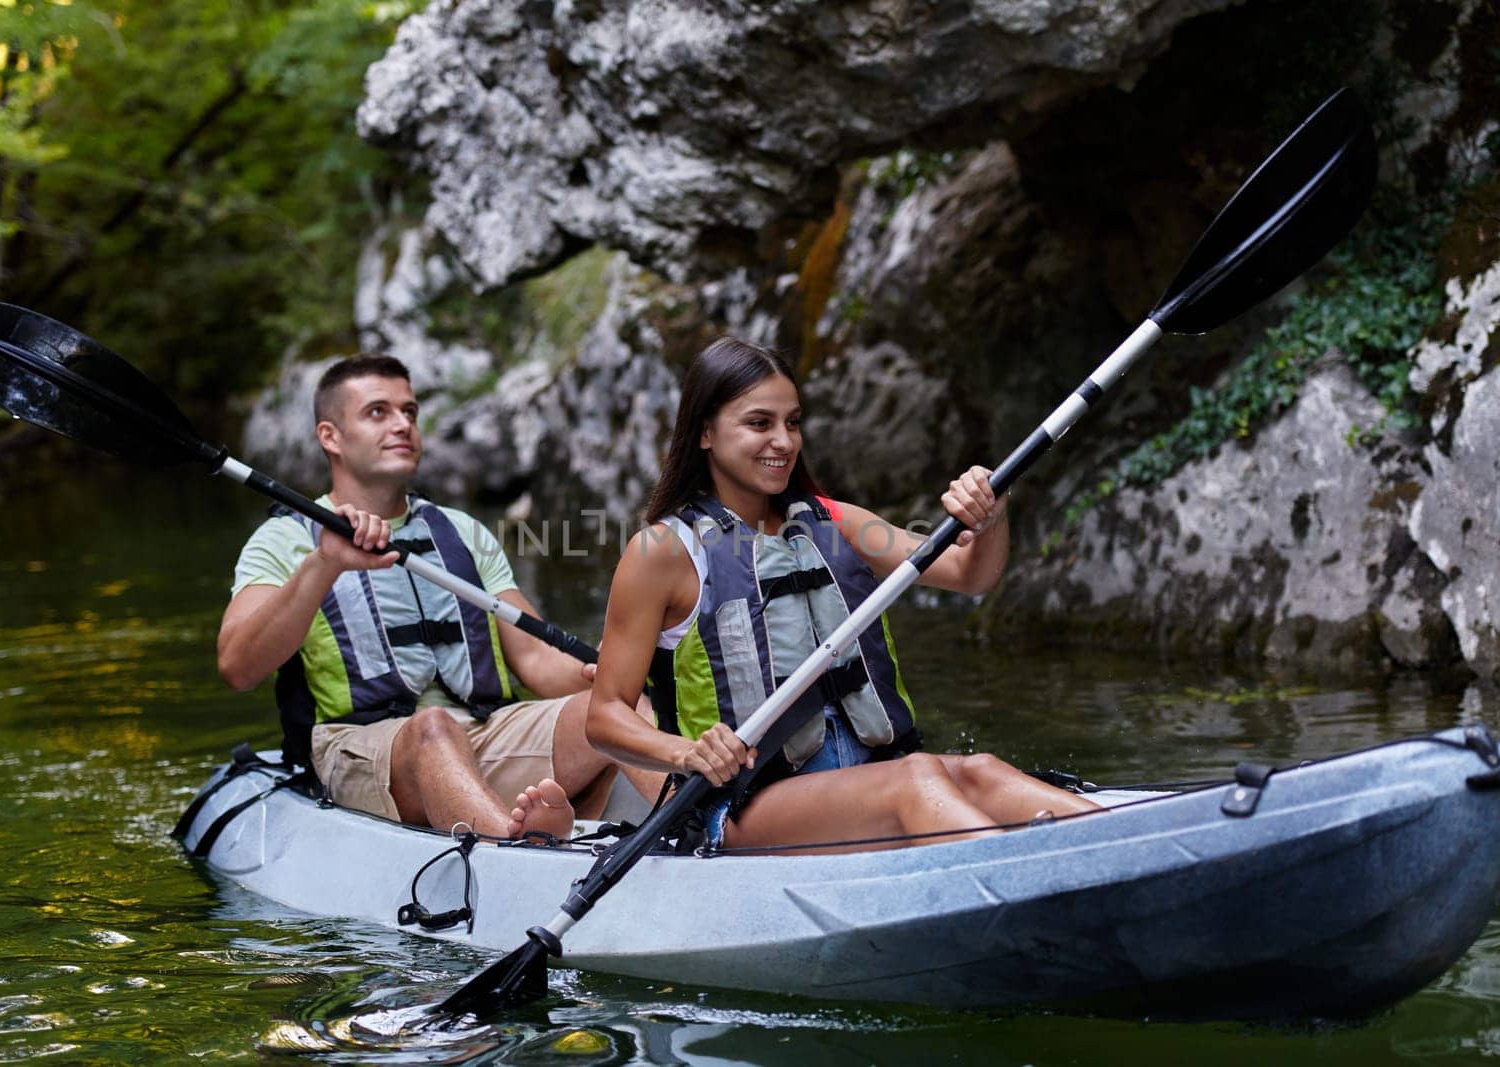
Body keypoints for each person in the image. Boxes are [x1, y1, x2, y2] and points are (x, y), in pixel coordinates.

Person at [587, 336, 1100, 852]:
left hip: (868, 779)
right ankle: (1031, 875)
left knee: (981, 772)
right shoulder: (661, 552)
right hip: (745, 804)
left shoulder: (834, 523)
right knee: (917, 779)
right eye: (759, 423)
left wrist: (992, 512)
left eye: (793, 422)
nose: (784, 442)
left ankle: (1133, 844)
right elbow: (605, 716)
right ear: (704, 432)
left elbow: (971, 574)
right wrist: (685, 753)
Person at [218, 354, 661, 841]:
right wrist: (325, 565)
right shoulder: (284, 540)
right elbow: (239, 667)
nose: (402, 425)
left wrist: (599, 670)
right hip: (363, 746)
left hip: (485, 732)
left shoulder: (462, 531)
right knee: (432, 728)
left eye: (409, 412)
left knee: (621, 702)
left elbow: (535, 659)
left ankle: (708, 828)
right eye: (377, 412)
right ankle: (517, 853)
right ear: (331, 437)